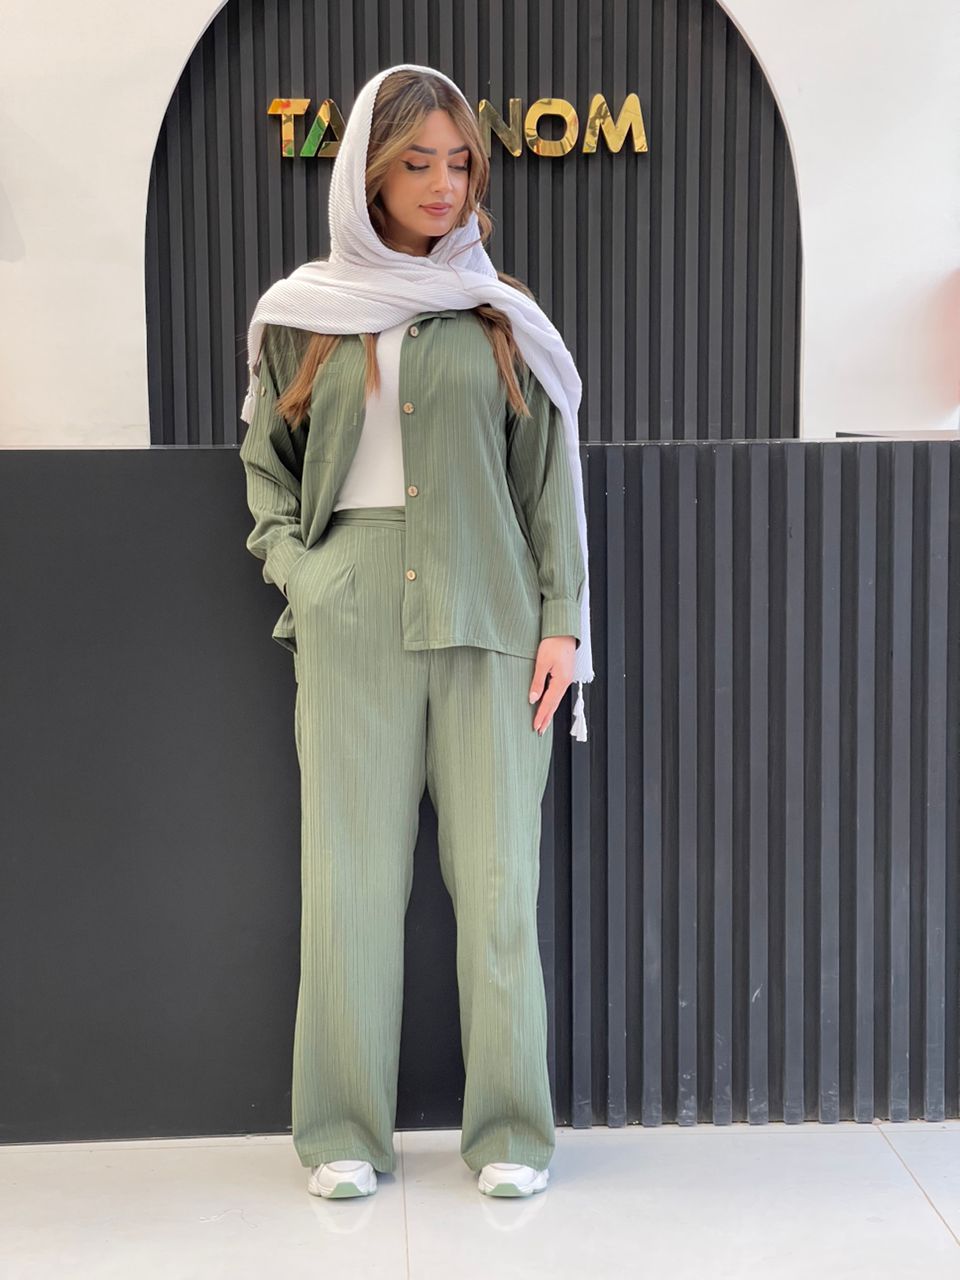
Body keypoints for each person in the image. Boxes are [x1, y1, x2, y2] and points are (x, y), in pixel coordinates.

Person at [238, 64, 594, 1200]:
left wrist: (563, 622)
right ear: (368, 174)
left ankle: (513, 1135)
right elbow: (265, 474)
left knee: (497, 886)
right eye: (416, 162)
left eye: (459, 162)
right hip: (352, 622)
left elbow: (546, 482)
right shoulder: (308, 314)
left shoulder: (499, 313)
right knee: (346, 885)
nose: (443, 184)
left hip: (492, 620)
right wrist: (306, 574)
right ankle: (342, 1131)